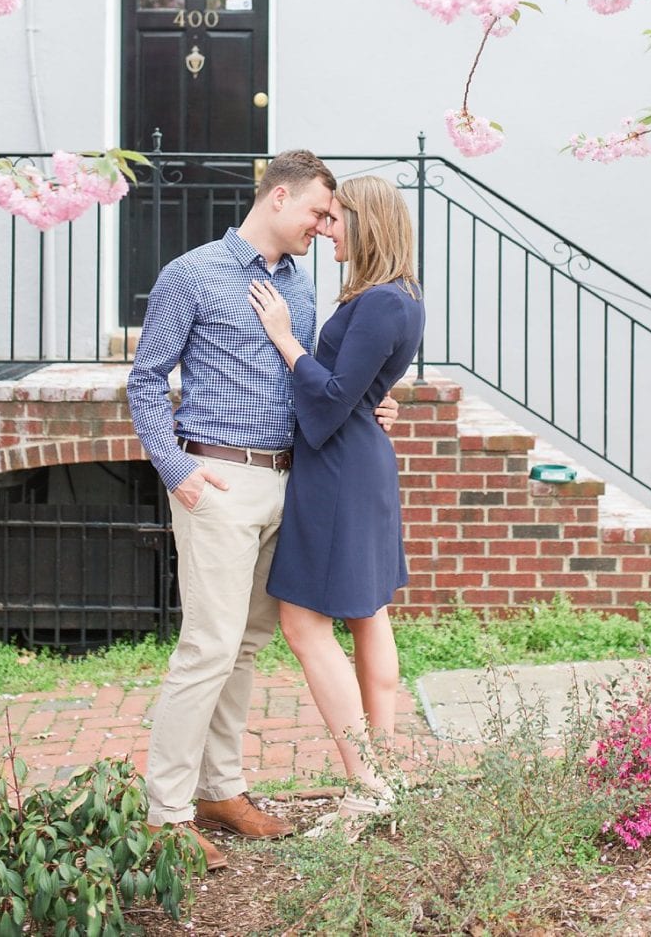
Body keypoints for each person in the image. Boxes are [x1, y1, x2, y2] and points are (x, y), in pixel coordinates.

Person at [127, 150, 398, 871]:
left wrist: (369, 400)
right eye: (315, 211)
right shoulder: (191, 274)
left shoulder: (300, 287)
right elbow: (147, 379)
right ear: (279, 198)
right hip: (217, 479)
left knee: (245, 644)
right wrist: (177, 467)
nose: (322, 224)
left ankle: (221, 788)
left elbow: (313, 378)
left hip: (291, 483)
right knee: (208, 645)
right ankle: (166, 812)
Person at [248, 174, 425, 831]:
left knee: (303, 622)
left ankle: (367, 782)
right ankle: (381, 776)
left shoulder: (379, 301)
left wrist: (284, 336)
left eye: (336, 217)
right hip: (362, 461)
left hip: (340, 471)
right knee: (369, 613)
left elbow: (328, 396)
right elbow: (359, 383)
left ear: (367, 221)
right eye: (321, 217)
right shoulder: (404, 297)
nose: (326, 228)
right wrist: (370, 392)